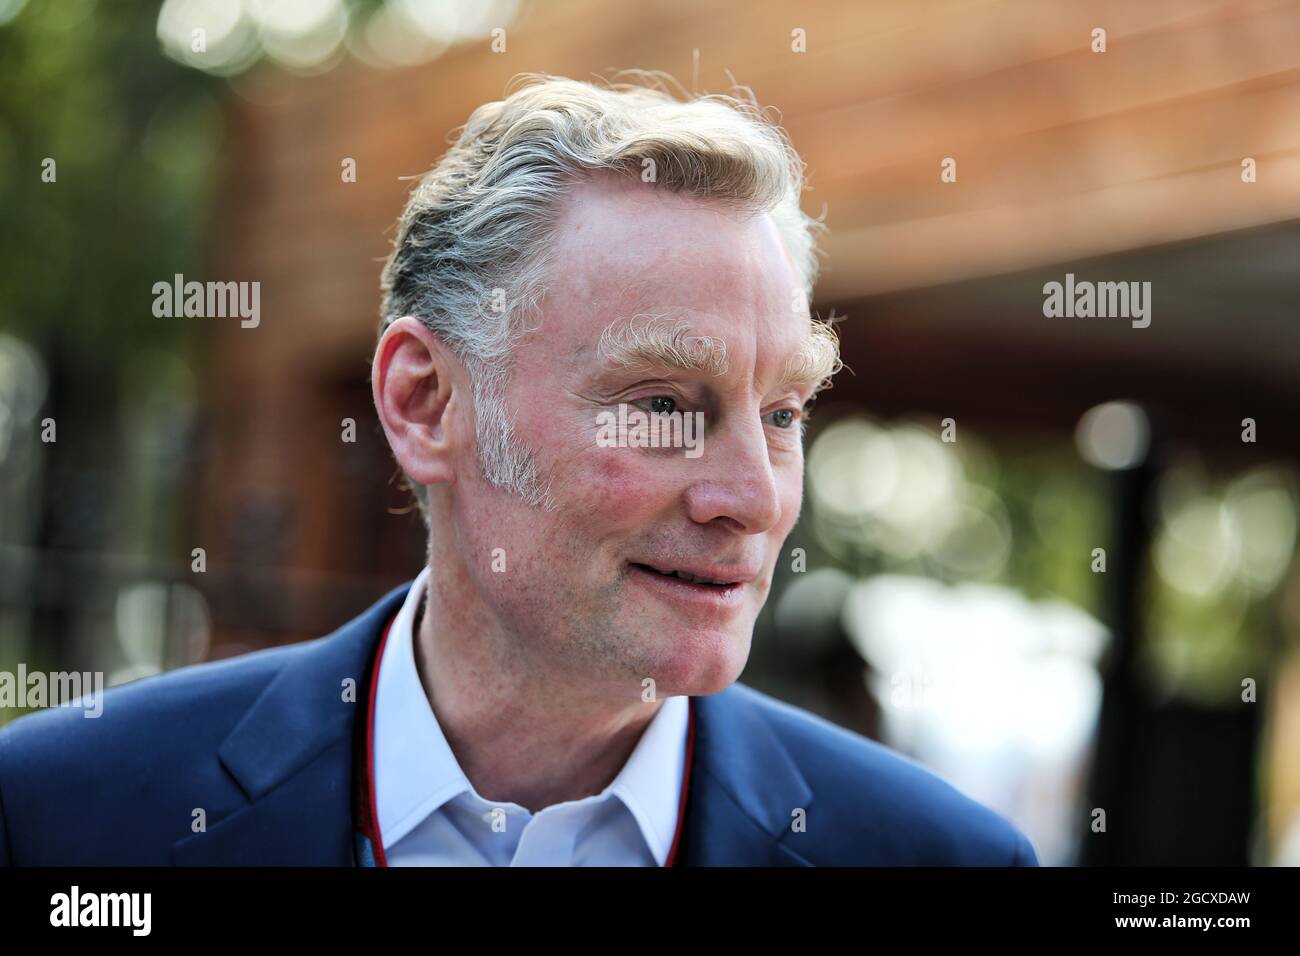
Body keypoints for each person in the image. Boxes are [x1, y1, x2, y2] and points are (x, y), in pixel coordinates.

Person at [0, 73, 1038, 867]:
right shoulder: (64, 815)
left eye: (780, 412)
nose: (754, 499)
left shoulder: (941, 860)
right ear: (425, 402)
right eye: (664, 405)